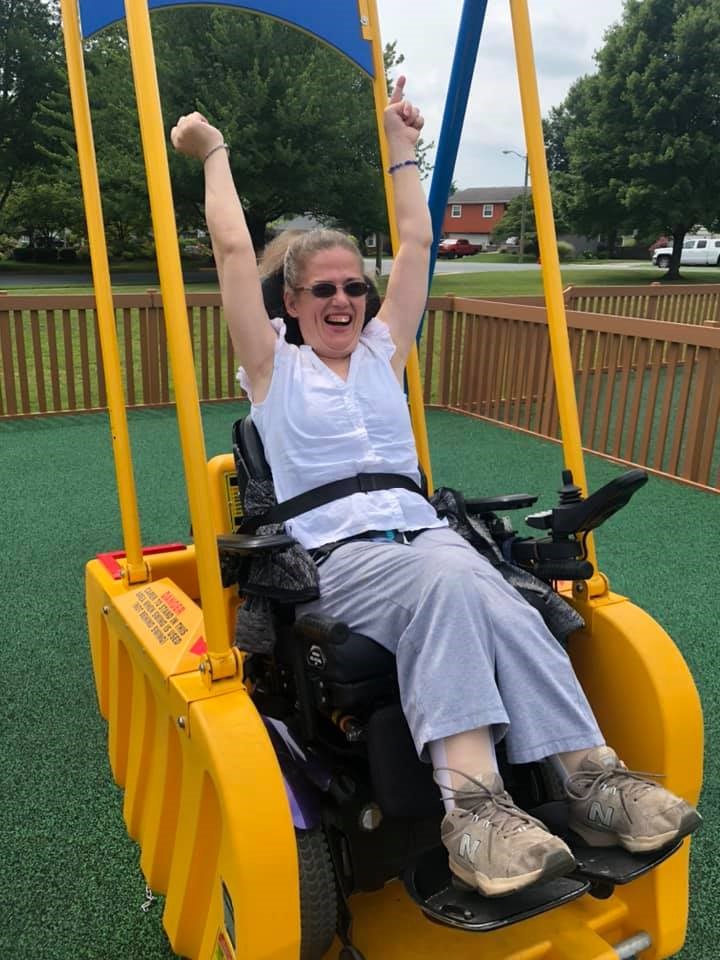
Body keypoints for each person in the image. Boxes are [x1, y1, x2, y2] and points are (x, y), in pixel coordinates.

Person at [171, 78, 701, 899]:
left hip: (424, 543)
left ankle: (589, 783)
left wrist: (400, 145)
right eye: (324, 289)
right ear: (292, 302)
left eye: (355, 287)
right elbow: (235, 251)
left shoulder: (386, 354)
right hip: (337, 558)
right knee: (459, 576)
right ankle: (482, 816)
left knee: (489, 589)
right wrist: (215, 155)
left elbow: (417, 242)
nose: (344, 300)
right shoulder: (273, 371)